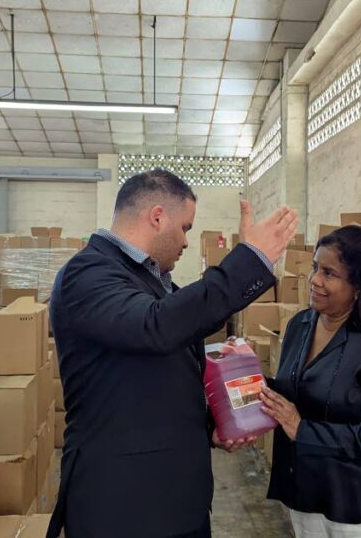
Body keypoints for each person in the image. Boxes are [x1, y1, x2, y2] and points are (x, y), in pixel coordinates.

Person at [45, 169, 298, 538]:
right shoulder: (87, 273)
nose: (185, 242)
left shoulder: (152, 283)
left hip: (175, 502)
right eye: (185, 228)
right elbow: (157, 327)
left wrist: (214, 426)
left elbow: (157, 377)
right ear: (157, 216)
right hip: (125, 509)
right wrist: (251, 259)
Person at [260, 225, 361, 538]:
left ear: (358, 285)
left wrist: (303, 429)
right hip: (307, 495)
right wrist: (249, 385)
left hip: (358, 508)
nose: (315, 280)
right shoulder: (300, 325)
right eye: (315, 267)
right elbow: (297, 392)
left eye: (329, 273)